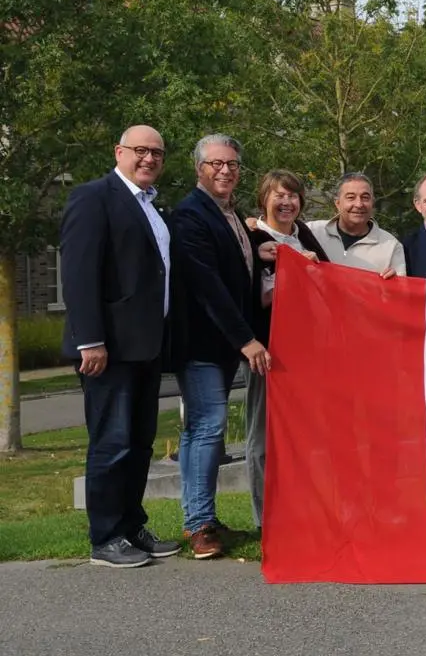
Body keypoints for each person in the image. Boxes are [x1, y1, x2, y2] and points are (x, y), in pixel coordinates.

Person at [59, 125, 181, 568]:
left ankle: (131, 527)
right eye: (141, 151)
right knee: (111, 443)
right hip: (107, 349)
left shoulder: (153, 206)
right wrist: (89, 339)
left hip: (147, 347)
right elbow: (77, 272)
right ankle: (105, 537)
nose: (149, 159)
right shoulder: (95, 197)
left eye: (158, 154)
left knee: (139, 442)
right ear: (119, 152)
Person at [171, 134, 269, 560]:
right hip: (202, 343)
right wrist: (246, 340)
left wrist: (261, 249)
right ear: (199, 168)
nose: (225, 170)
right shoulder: (190, 215)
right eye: (216, 164)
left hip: (224, 343)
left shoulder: (230, 214)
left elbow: (237, 272)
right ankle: (198, 525)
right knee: (207, 429)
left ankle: (202, 515)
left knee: (203, 430)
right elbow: (208, 286)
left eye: (231, 164)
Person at [244, 169, 331, 532]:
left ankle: (304, 510)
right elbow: (250, 294)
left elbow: (329, 282)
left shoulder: (304, 234)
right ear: (264, 198)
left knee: (306, 436)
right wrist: (292, 276)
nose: (286, 202)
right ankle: (268, 519)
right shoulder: (251, 237)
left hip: (307, 353)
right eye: (278, 195)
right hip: (268, 349)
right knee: (263, 436)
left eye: (293, 196)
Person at [307, 172, 406, 276]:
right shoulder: (311, 232)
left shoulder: (391, 246)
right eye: (351, 197)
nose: (359, 204)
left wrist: (395, 282)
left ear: (372, 203)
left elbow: (401, 289)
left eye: (365, 197)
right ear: (337, 203)